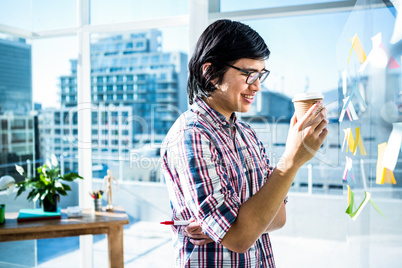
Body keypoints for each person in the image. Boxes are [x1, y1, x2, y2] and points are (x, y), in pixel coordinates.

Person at [160, 19, 328, 267]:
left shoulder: (248, 135)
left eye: (260, 75)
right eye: (249, 74)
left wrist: (231, 226)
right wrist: (291, 161)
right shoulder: (192, 135)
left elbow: (278, 217)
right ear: (210, 73)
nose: (257, 86)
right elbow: (239, 238)